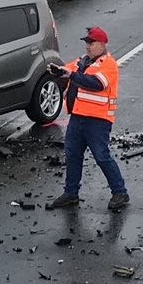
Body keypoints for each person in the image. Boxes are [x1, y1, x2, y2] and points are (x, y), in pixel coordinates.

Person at [47, 26, 129, 212]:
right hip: (78, 117)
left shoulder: (108, 64)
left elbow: (96, 84)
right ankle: (71, 193)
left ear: (101, 44)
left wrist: (71, 75)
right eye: (87, 43)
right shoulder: (82, 62)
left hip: (98, 120)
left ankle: (120, 192)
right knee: (73, 155)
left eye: (91, 43)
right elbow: (66, 70)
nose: (88, 47)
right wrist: (57, 71)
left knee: (101, 156)